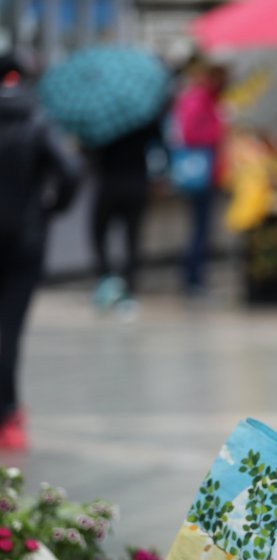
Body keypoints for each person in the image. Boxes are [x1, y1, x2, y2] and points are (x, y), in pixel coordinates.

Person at [0, 53, 81, 449]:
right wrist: (51, 208)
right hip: (25, 239)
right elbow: (70, 170)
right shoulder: (37, 118)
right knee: (9, 328)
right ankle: (9, 416)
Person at [89, 119, 163, 312]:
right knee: (132, 238)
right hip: (136, 184)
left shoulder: (101, 121)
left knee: (99, 233)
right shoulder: (143, 117)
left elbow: (92, 150)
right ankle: (129, 285)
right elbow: (158, 145)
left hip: (110, 184)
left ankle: (106, 278)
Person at [169, 59, 227, 295]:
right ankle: (193, 278)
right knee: (199, 227)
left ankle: (195, 276)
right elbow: (189, 133)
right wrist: (216, 131)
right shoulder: (199, 99)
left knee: (201, 226)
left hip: (207, 173)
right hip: (200, 172)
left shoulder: (207, 99)